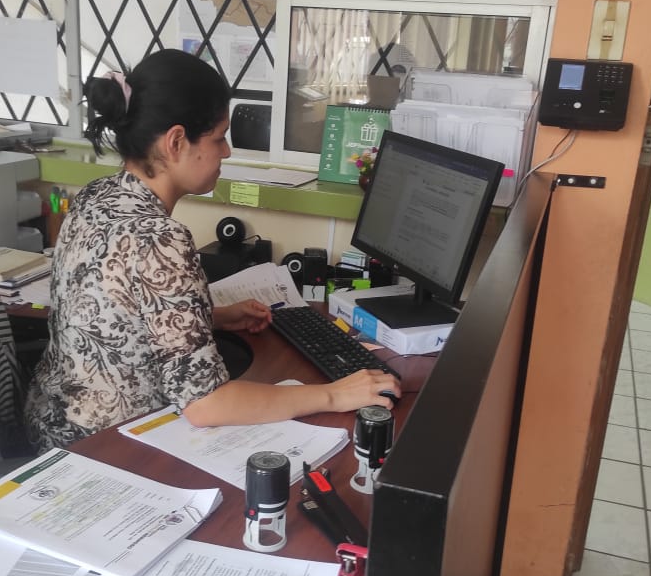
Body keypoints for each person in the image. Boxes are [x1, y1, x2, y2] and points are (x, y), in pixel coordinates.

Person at [24, 49, 400, 451]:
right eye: (219, 138)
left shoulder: (97, 194)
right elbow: (206, 405)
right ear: (176, 142)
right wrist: (335, 394)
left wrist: (209, 316)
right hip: (102, 448)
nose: (227, 151)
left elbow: (116, 315)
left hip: (50, 421)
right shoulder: (160, 238)